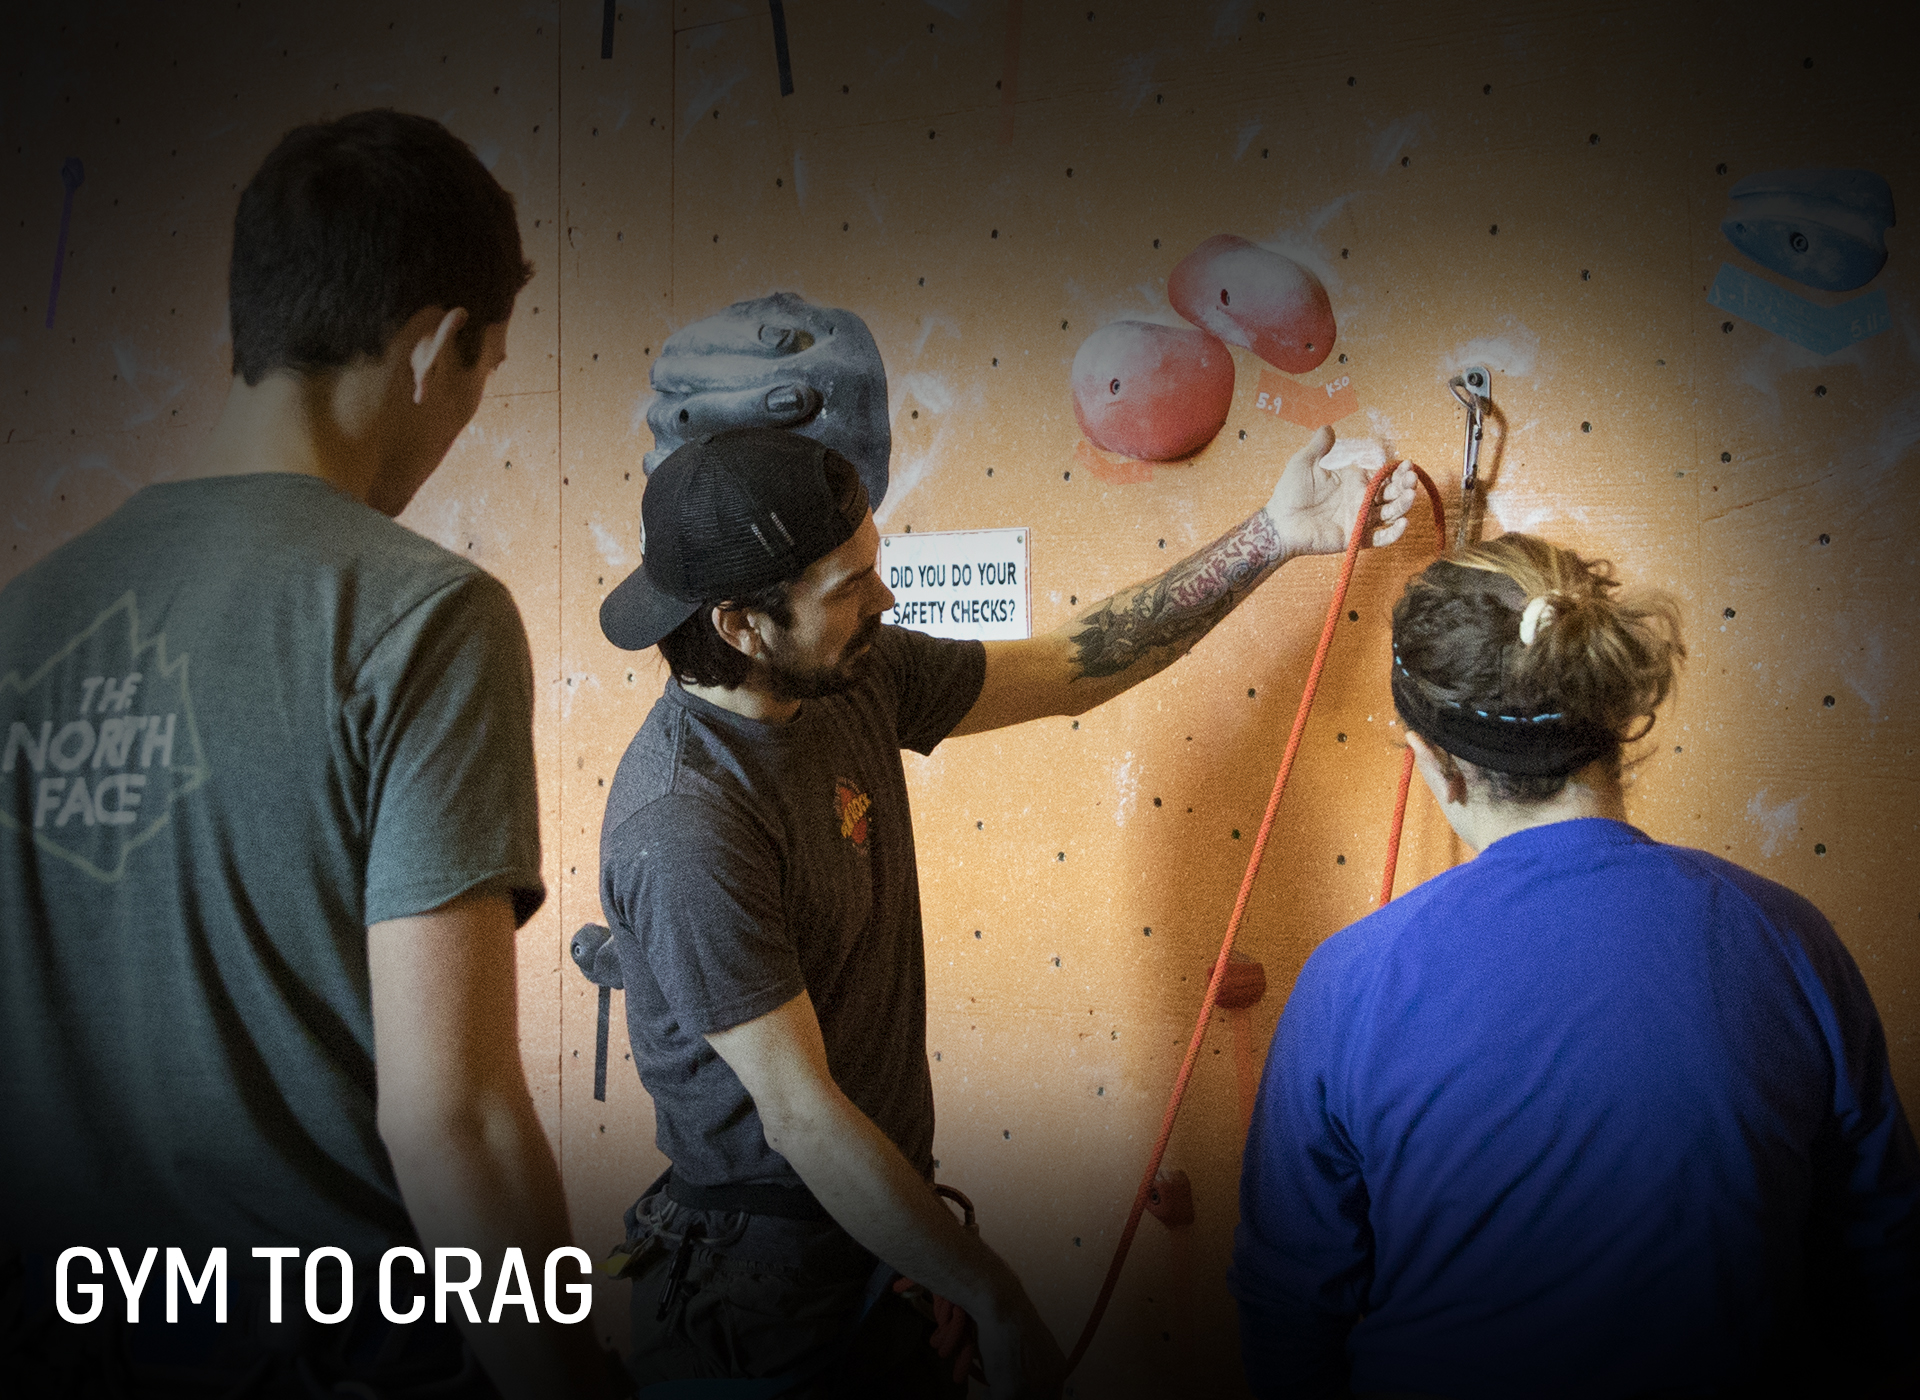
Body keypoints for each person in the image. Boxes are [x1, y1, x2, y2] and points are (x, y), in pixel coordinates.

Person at [594, 420, 1416, 1397]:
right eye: (848, 586)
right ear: (740, 624)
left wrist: (1275, 534)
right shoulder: (684, 819)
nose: (885, 597)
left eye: (874, 566)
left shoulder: (850, 677)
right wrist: (991, 1290)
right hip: (759, 1290)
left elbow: (1072, 663)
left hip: (879, 1229)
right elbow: (803, 1117)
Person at [0, 111, 618, 1399]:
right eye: (484, 373)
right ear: (437, 345)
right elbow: (456, 1121)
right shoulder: (418, 616)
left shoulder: (25, 618)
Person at [1230, 533, 1920, 1398]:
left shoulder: (1346, 986)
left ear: (1435, 764)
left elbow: (1290, 1317)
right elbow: (1884, 1277)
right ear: (1609, 728)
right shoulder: (1788, 940)